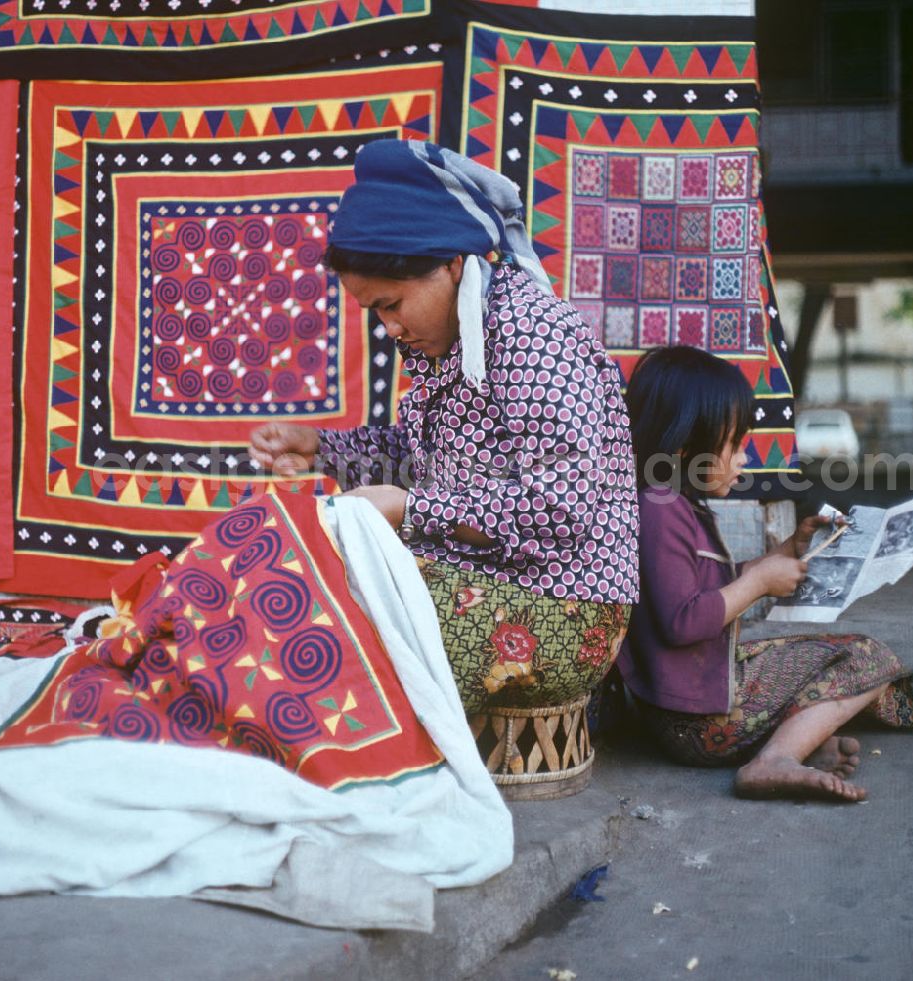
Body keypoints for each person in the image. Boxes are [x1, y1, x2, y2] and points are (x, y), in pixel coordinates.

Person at [250, 139, 639, 713]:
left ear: (453, 264)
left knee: (321, 618)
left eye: (392, 303)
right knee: (291, 578)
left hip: (564, 610)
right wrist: (320, 448)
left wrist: (412, 511)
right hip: (481, 580)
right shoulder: (446, 345)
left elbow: (562, 510)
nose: (389, 326)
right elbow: (415, 461)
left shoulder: (533, 336)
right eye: (374, 312)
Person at [616, 345, 913, 802]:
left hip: (686, 705)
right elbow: (683, 620)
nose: (743, 458)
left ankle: (798, 743)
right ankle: (775, 758)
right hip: (697, 720)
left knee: (843, 659)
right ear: (686, 447)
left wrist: (783, 552)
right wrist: (760, 581)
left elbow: (705, 587)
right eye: (734, 444)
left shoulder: (670, 504)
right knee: (868, 657)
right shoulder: (660, 510)